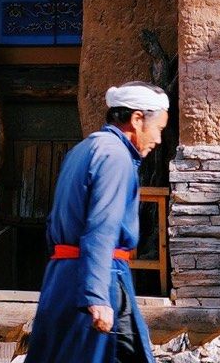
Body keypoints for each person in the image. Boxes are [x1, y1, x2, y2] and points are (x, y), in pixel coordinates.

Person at [29, 82, 167, 363]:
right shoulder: (116, 157)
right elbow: (101, 228)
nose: (159, 139)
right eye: (159, 129)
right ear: (137, 119)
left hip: (63, 278)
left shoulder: (83, 149)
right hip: (100, 277)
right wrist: (96, 296)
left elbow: (53, 223)